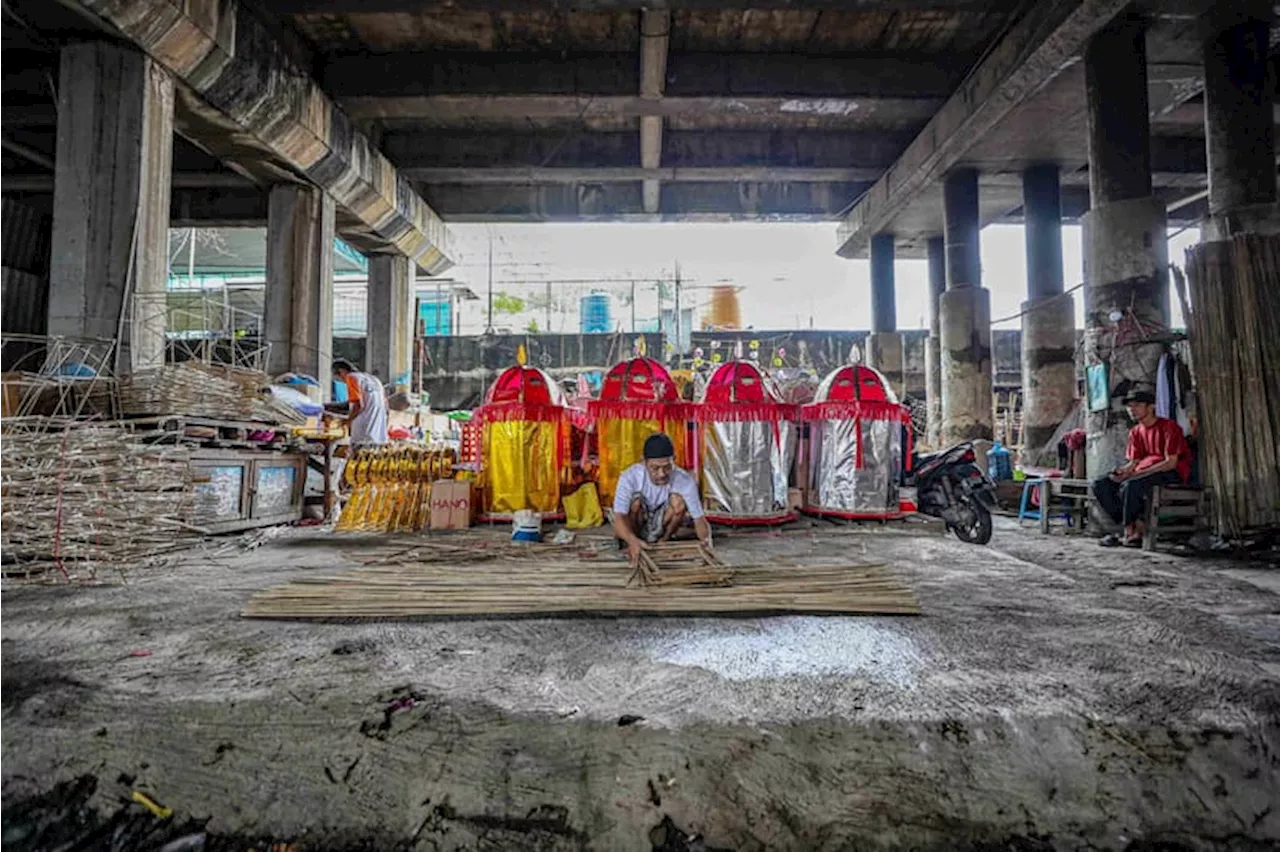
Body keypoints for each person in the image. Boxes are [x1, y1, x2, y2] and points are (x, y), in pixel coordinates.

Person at [1093, 390, 1191, 547]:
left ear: (1151, 407)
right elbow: (1133, 462)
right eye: (1129, 406)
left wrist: (1138, 473)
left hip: (1169, 473)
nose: (1132, 409)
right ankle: (1134, 524)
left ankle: (1129, 532)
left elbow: (1170, 463)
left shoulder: (1169, 427)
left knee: (1132, 485)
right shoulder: (1136, 432)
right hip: (1143, 473)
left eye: (1137, 405)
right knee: (1101, 484)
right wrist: (1122, 472)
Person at [612, 433, 712, 565]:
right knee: (635, 503)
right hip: (638, 522)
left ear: (673, 460)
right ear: (643, 462)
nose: (662, 474)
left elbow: (699, 519)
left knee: (679, 502)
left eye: (667, 467)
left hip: (662, 523)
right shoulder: (629, 477)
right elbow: (618, 518)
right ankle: (633, 542)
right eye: (655, 468)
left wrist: (706, 542)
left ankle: (663, 542)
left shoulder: (685, 480)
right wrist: (632, 541)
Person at [332, 359, 389, 445]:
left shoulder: (351, 377)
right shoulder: (375, 380)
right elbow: (386, 407)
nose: (343, 381)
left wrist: (347, 421)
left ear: (342, 371)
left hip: (363, 432)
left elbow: (358, 405)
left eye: (339, 377)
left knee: (357, 456)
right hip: (380, 435)